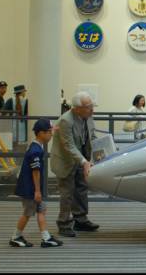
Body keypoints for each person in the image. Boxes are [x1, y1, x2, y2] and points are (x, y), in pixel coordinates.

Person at [50, 91, 100, 237]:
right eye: (89, 107)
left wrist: (102, 150)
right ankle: (64, 223)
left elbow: (92, 136)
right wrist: (84, 161)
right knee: (67, 194)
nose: (92, 110)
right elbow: (69, 146)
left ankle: (80, 220)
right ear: (77, 108)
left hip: (81, 159)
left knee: (81, 190)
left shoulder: (88, 117)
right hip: (66, 161)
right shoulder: (66, 120)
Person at [9, 119, 63, 248]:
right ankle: (16, 237)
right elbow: (36, 172)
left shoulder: (36, 146)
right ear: (40, 133)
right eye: (49, 132)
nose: (51, 135)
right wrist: (37, 191)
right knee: (28, 213)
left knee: (41, 210)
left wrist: (54, 129)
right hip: (30, 189)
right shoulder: (36, 151)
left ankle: (46, 237)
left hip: (32, 188)